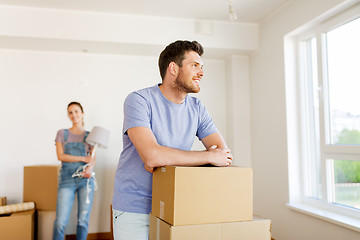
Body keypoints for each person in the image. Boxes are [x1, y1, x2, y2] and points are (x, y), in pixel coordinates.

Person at [112, 40, 233, 240]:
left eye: (202, 67)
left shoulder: (197, 108)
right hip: (135, 208)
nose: (202, 73)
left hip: (175, 204)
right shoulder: (139, 100)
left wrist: (166, 157)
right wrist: (207, 156)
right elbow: (151, 156)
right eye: (195, 66)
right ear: (173, 68)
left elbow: (223, 155)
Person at [53, 102, 96, 240]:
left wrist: (90, 168)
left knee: (83, 221)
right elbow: (61, 156)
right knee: (60, 221)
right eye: (70, 112)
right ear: (68, 115)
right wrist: (83, 157)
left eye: (76, 111)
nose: (74, 115)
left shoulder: (90, 136)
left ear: (82, 113)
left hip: (86, 180)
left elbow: (93, 158)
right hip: (67, 180)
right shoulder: (62, 133)